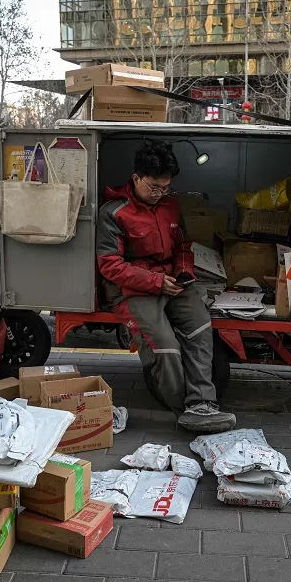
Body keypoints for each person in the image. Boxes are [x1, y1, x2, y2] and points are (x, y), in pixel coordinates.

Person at [97, 140, 236, 433]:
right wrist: (157, 282)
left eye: (166, 188)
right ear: (136, 179)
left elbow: (183, 246)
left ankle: (203, 404)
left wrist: (184, 274)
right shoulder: (113, 212)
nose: (161, 194)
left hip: (173, 284)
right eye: (154, 188)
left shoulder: (170, 206)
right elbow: (111, 265)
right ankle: (182, 409)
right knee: (165, 347)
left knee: (200, 328)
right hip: (133, 290)